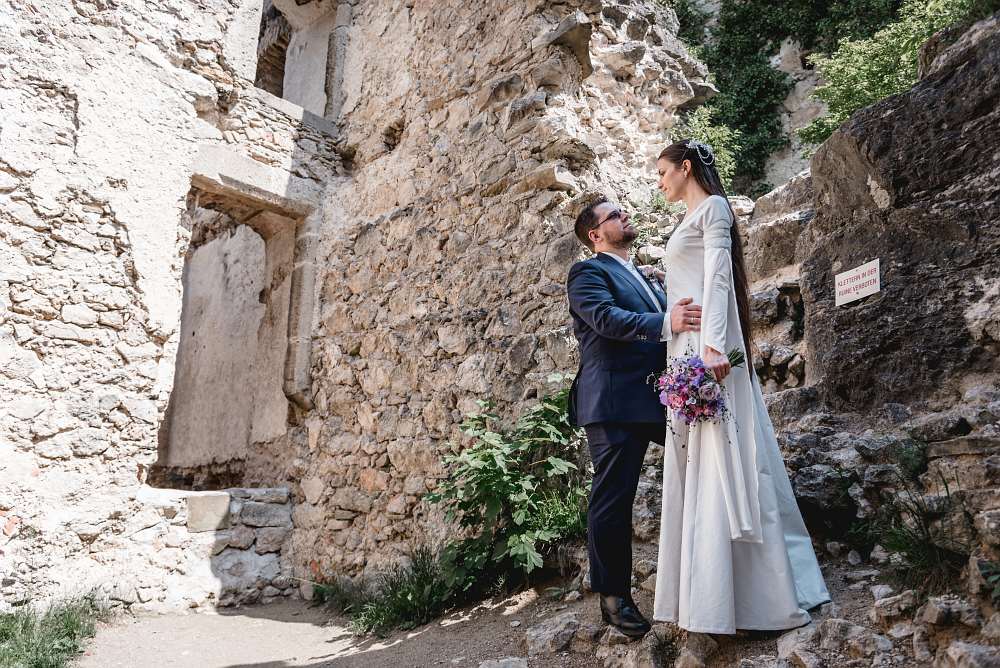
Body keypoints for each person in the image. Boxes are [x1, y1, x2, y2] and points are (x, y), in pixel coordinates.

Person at [650, 139, 830, 634]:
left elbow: (718, 277)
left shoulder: (714, 209)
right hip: (684, 351)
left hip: (708, 351)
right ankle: (707, 594)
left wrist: (714, 348)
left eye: (663, 172)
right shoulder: (686, 218)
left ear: (686, 168)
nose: (660, 181)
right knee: (697, 461)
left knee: (725, 458)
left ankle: (754, 600)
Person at [566, 196, 703, 638]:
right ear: (595, 234)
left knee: (706, 459)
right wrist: (668, 321)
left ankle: (707, 573)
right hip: (612, 403)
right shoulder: (588, 272)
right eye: (615, 215)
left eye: (624, 211)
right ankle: (613, 599)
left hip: (658, 399)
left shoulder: (644, 275)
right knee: (614, 499)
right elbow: (605, 319)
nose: (625, 216)